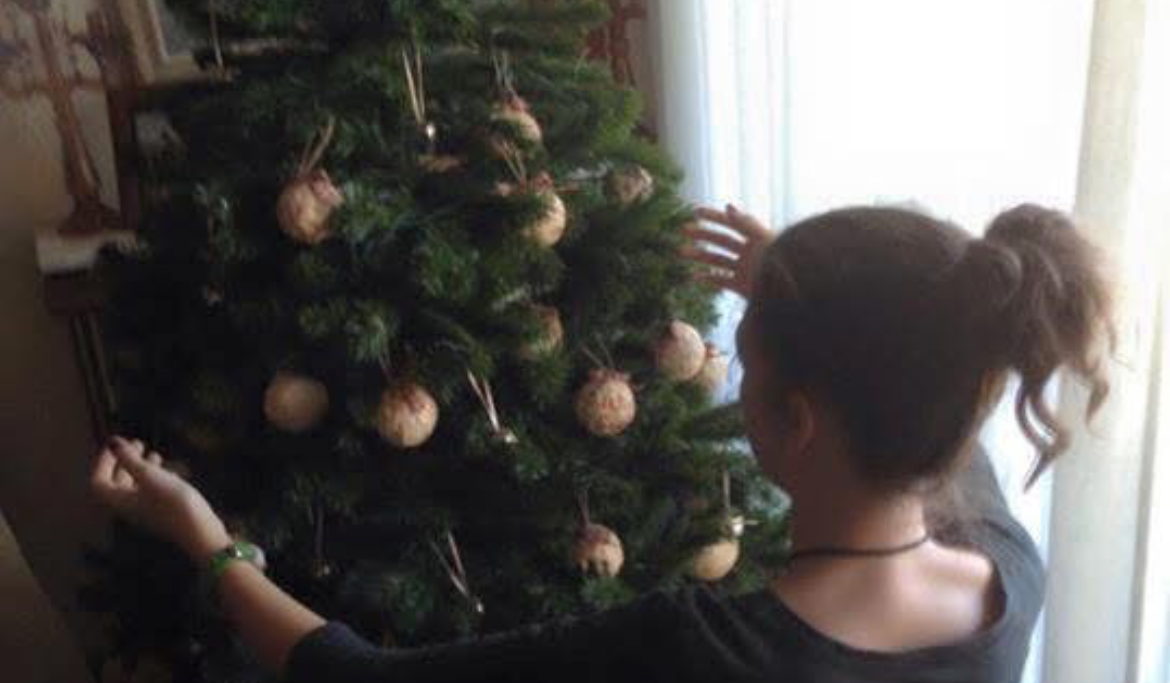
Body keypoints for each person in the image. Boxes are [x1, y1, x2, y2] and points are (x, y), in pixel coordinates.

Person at [91, 201, 1114, 682]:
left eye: (750, 365)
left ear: (796, 419)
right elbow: (927, 372)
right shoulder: (1009, 572)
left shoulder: (703, 650)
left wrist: (205, 539)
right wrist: (802, 295)